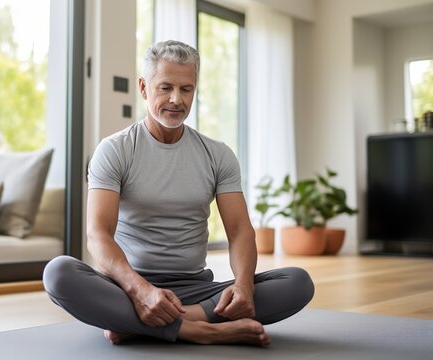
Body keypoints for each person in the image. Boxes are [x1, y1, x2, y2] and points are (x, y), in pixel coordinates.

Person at [43, 40, 314, 346]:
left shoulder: (218, 154)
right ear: (144, 88)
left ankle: (142, 323)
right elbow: (98, 235)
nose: (176, 99)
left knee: (297, 282)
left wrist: (242, 287)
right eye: (166, 87)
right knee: (58, 273)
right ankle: (201, 330)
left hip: (196, 288)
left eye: (186, 89)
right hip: (129, 284)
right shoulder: (115, 150)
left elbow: (239, 230)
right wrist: (140, 291)